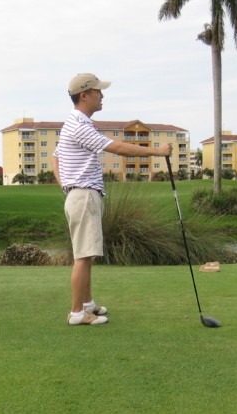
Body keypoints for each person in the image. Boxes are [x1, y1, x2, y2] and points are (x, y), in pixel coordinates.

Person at [52, 73, 173, 326]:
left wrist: (66, 185)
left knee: (87, 254)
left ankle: (87, 305)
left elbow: (56, 158)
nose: (102, 95)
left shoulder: (75, 123)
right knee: (83, 256)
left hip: (81, 194)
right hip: (83, 195)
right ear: (84, 95)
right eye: (98, 91)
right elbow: (117, 148)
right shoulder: (78, 125)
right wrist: (157, 151)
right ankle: (77, 313)